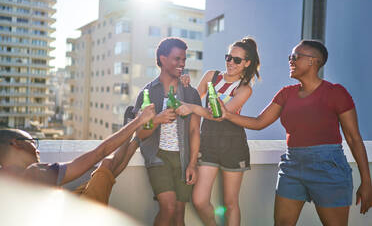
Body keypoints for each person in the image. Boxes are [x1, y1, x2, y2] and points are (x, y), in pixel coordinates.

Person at [217, 40, 372, 225]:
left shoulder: (336, 93)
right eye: (290, 57)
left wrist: (366, 181)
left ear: (313, 61)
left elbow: (354, 138)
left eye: (295, 57)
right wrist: (226, 114)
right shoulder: (286, 94)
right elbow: (259, 122)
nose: (290, 61)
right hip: (292, 167)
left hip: (328, 167)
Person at [176, 37, 261, 226]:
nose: (230, 62)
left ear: (247, 63)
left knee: (231, 204)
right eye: (229, 57)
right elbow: (194, 99)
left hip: (234, 146)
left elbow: (220, 115)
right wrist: (185, 86)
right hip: (208, 143)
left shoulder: (245, 89)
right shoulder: (211, 76)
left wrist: (192, 107)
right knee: (199, 199)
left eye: (237, 60)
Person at [0, 104, 155, 205]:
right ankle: (135, 136)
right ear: (17, 143)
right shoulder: (36, 173)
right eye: (33, 141)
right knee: (107, 166)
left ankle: (136, 140)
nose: (37, 148)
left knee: (105, 173)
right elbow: (99, 152)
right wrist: (139, 121)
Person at [132, 37, 201, 226]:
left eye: (184, 60)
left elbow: (195, 131)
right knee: (168, 207)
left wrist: (193, 164)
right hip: (158, 158)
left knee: (179, 213)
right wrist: (158, 120)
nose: (182, 64)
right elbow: (140, 134)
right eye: (177, 59)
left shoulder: (191, 93)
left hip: (183, 159)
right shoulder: (147, 93)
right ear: (163, 59)